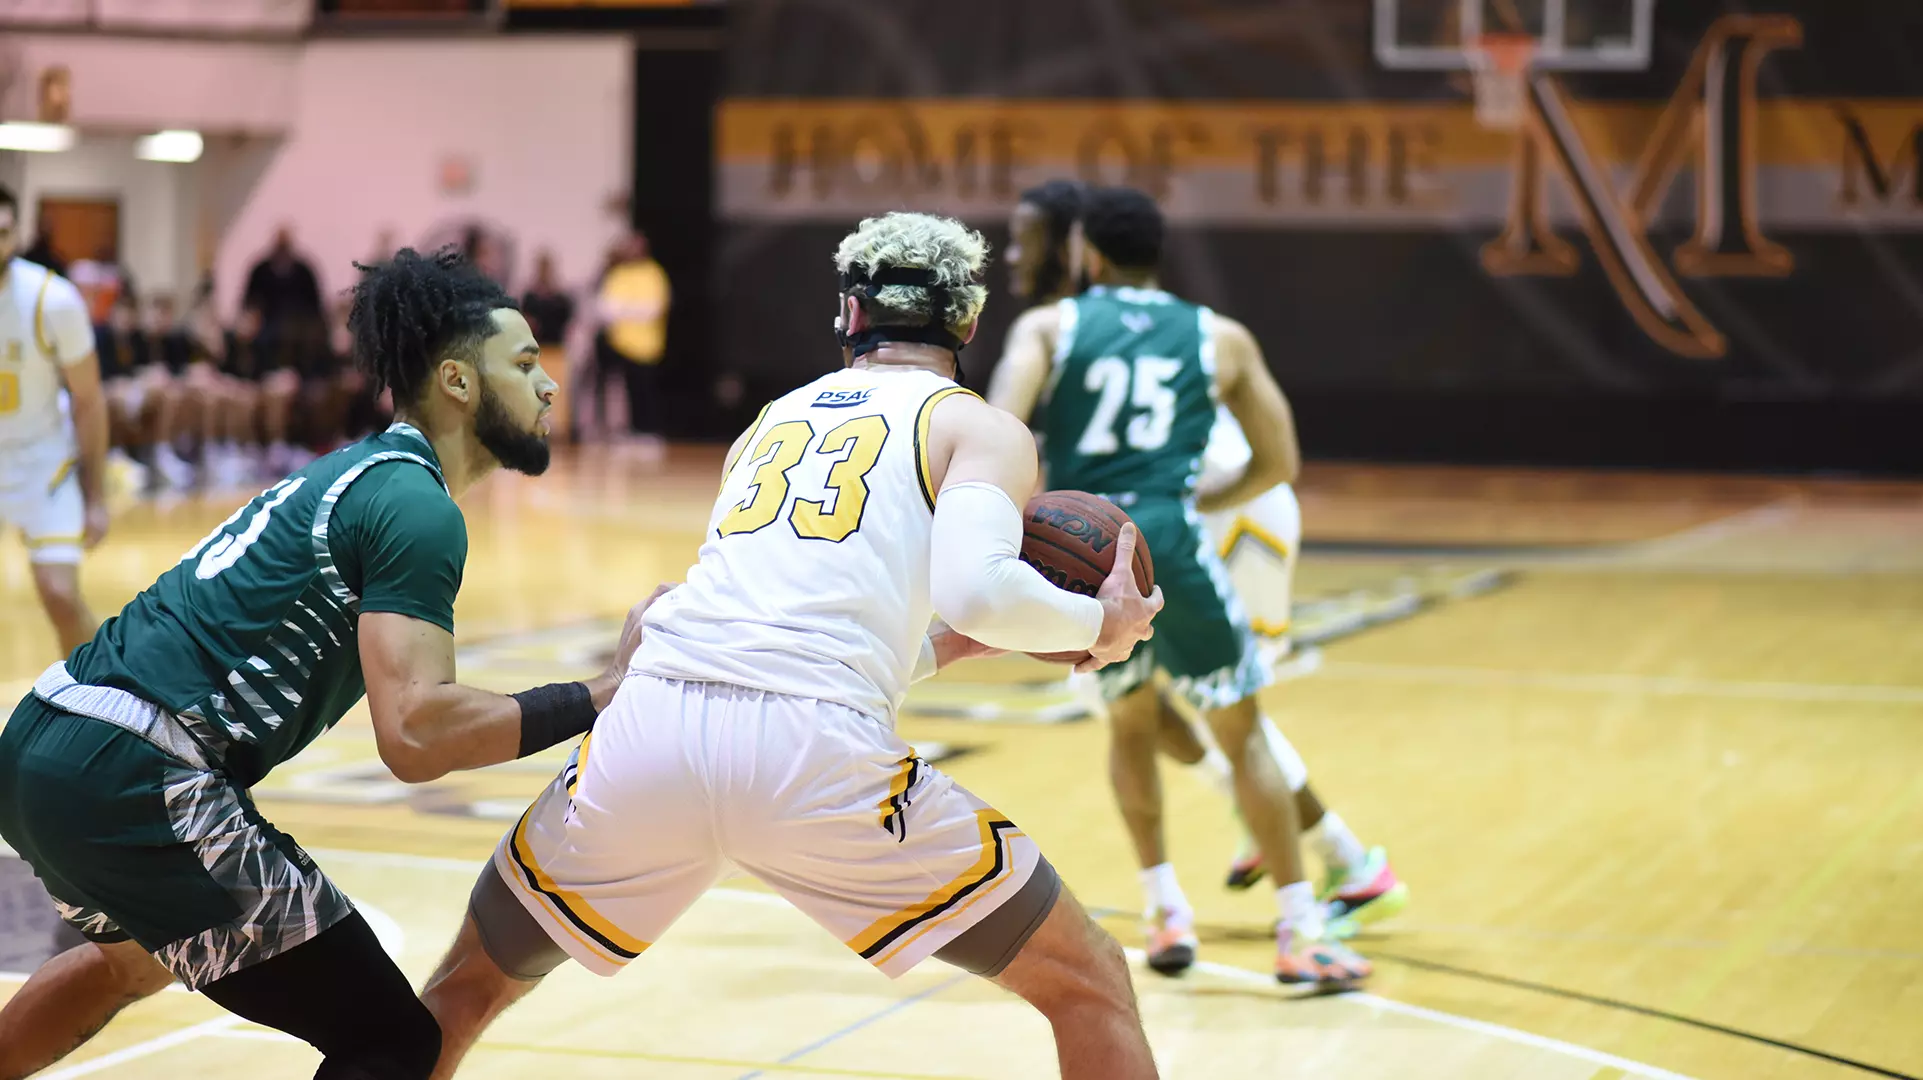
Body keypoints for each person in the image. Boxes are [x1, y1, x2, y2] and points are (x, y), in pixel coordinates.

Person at [418, 212, 1165, 1080]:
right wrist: (1101, 626)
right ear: (966, 323)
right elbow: (981, 592)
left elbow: (773, 624)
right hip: (814, 757)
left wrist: (938, 649)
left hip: (651, 728)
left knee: (467, 984)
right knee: (1088, 982)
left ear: (849, 315)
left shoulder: (770, 420)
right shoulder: (976, 426)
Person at [0, 247, 646, 1080]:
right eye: (524, 364)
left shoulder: (358, 473)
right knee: (392, 1042)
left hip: (43, 743)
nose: (549, 384)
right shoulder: (413, 504)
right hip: (133, 769)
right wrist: (604, 693)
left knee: (131, 962)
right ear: (456, 381)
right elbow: (416, 733)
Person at [995, 181, 1409, 942]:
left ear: (1082, 249)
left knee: (1154, 719)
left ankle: (1183, 903)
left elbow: (997, 433)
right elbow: (1280, 457)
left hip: (1175, 531)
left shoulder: (1051, 329)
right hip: (1177, 523)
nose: (1011, 256)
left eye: (1023, 240)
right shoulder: (1215, 334)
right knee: (1219, 719)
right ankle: (1295, 909)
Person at [0, 184, 109, 659]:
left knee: (60, 595)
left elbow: (89, 400)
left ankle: (100, 691)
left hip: (43, 460)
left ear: (17, 234)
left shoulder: (53, 298)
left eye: (3, 232)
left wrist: (96, 496)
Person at [593, 231, 670, 452]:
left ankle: (648, 432)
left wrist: (624, 309)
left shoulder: (653, 274)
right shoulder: (618, 274)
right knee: (622, 392)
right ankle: (627, 433)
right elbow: (605, 308)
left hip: (646, 347)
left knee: (644, 391)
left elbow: (652, 308)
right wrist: (631, 309)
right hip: (619, 345)